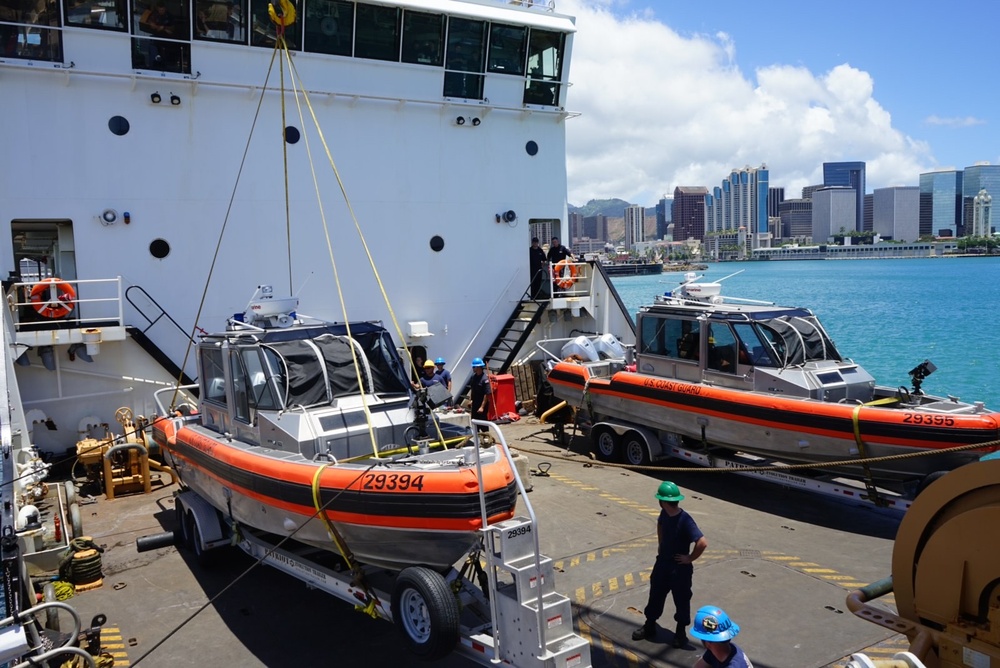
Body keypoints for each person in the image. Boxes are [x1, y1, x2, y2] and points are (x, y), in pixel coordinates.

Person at [632, 481, 708, 647]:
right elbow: (660, 524)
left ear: (663, 501)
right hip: (663, 564)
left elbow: (702, 542)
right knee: (656, 594)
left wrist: (689, 558)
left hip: (679, 569)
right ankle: (650, 625)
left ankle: (680, 633)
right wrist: (661, 544)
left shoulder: (685, 520)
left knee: (681, 599)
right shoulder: (664, 513)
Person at [469, 357, 491, 428]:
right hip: (475, 404)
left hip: (482, 405)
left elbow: (487, 394)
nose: (473, 368)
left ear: (478, 367)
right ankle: (477, 437)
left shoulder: (484, 379)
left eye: (474, 367)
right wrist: (471, 400)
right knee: (475, 423)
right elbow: (472, 389)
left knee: (483, 424)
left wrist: (482, 407)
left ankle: (486, 438)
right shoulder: (473, 377)